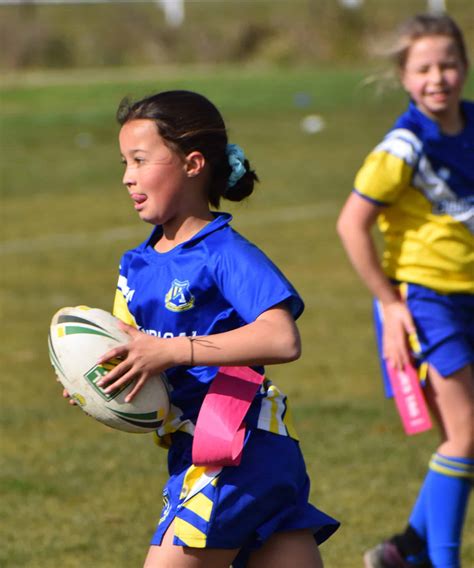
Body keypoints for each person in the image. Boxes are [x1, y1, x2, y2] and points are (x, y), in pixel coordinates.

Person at [66, 89, 339, 568]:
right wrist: (91, 379)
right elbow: (130, 352)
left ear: (193, 164)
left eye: (141, 160)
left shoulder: (224, 253)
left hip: (236, 446)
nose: (128, 177)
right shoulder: (135, 266)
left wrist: (173, 352)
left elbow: (281, 337)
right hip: (202, 448)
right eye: (123, 162)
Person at [337, 13, 473, 568]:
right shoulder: (403, 146)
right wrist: (391, 305)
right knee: (465, 436)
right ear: (403, 76)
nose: (436, 77)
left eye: (447, 64)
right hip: (425, 304)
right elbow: (351, 225)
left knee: (466, 441)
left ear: (464, 67)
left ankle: (403, 551)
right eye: (423, 68)